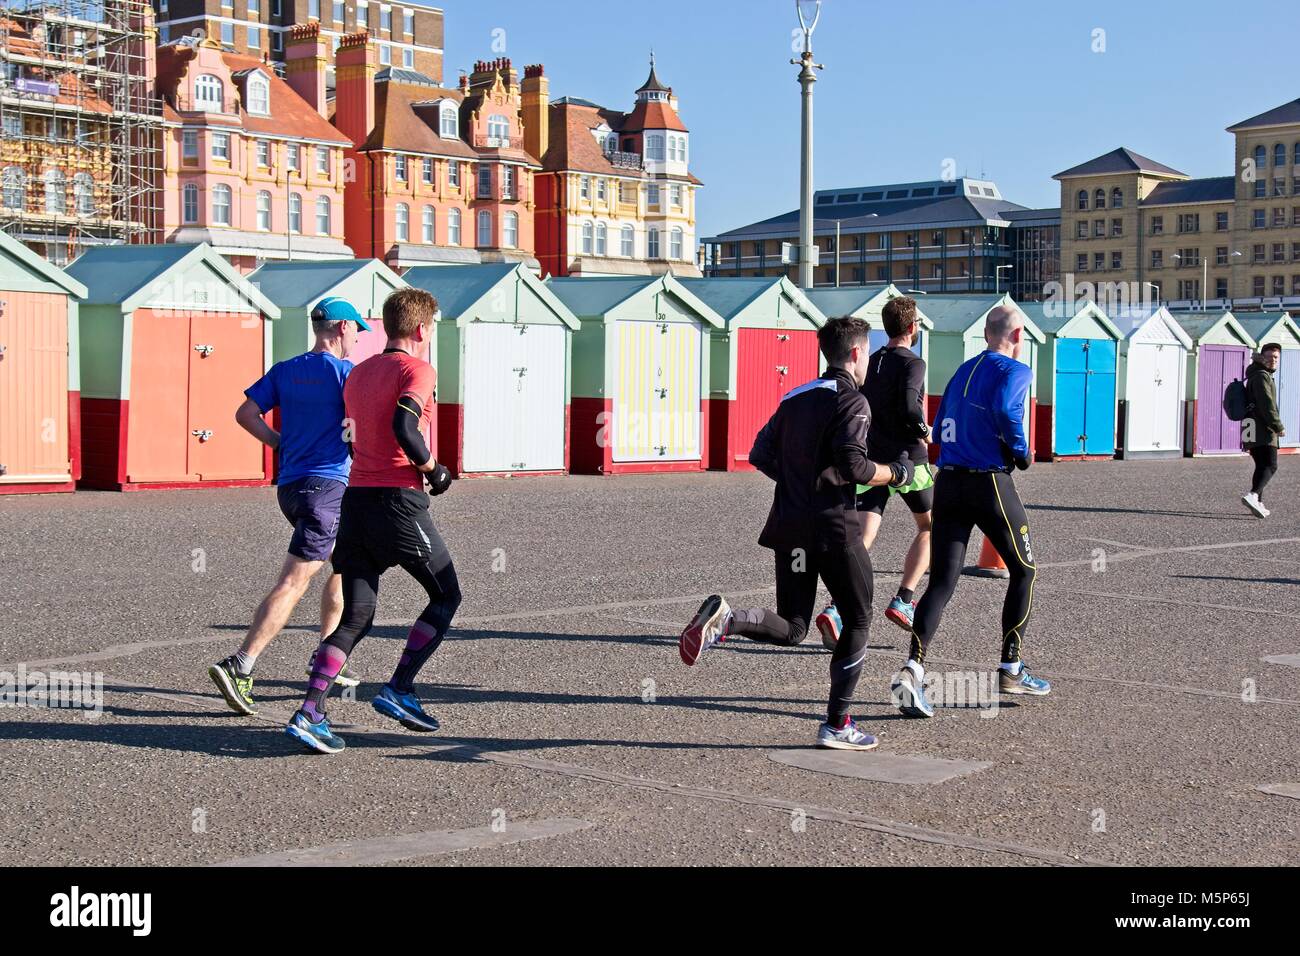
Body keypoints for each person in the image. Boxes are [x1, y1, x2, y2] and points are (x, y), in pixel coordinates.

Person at [677, 316, 915, 750]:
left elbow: (759, 452)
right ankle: (838, 724)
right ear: (858, 353)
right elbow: (853, 467)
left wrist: (797, 482)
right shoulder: (853, 401)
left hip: (791, 528)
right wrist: (897, 474)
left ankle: (727, 619)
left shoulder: (796, 394)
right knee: (859, 617)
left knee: (794, 625)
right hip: (834, 529)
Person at [285, 288, 460, 755]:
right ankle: (399, 687)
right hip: (397, 501)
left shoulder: (357, 374)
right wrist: (434, 471)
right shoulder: (417, 369)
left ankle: (310, 711)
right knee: (446, 595)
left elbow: (348, 436)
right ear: (422, 329)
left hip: (355, 499)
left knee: (357, 613)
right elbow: (405, 427)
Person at [208, 297, 369, 715]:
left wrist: (280, 444)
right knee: (294, 581)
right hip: (328, 488)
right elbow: (362, 428)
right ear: (342, 328)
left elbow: (245, 414)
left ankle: (329, 655)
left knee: (345, 564)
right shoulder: (347, 376)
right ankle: (240, 665)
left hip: (292, 485)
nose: (357, 338)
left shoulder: (286, 370)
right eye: (356, 330)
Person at [890, 304, 1050, 719]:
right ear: (1017, 336)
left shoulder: (964, 370)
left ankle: (913, 668)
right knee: (1025, 570)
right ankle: (1011, 666)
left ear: (985, 331)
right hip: (988, 481)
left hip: (950, 482)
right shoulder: (1016, 371)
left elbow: (940, 422)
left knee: (942, 580)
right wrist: (1023, 451)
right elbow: (1007, 411)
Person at [816, 296, 932, 648]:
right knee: (930, 528)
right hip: (909, 460)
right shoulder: (914, 363)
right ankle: (904, 599)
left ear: (886, 327)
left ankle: (837, 607)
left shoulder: (872, 360)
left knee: (863, 538)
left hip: (874, 462)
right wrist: (924, 430)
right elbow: (912, 406)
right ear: (912, 328)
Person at [1242, 342, 1285, 519]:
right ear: (1262, 357)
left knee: (1261, 465)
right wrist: (1278, 426)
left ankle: (1257, 502)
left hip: (1249, 425)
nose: (1273, 360)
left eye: (1276, 357)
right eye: (1269, 356)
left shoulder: (1254, 374)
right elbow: (1267, 405)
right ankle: (1253, 495)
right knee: (1271, 464)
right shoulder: (1262, 376)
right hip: (1261, 427)